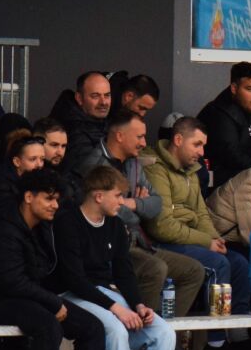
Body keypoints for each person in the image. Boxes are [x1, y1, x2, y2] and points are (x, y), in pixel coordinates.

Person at [0, 168, 104, 350]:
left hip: (24, 298)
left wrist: (51, 301)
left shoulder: (40, 227)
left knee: (93, 327)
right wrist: (54, 302)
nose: (55, 205)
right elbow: (14, 282)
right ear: (28, 197)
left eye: (57, 199)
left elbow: (37, 274)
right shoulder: (2, 228)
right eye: (49, 199)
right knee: (48, 326)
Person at [81, 106, 205, 318]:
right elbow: (111, 214)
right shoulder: (95, 165)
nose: (144, 143)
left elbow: (156, 205)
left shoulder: (134, 163)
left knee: (193, 270)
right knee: (156, 269)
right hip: (112, 250)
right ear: (120, 136)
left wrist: (131, 203)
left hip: (139, 242)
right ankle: (143, 331)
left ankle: (167, 332)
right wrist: (139, 205)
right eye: (139, 136)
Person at [51, 164, 175, 350]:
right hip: (70, 293)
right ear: (99, 196)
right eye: (118, 195)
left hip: (104, 292)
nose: (122, 202)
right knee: (116, 330)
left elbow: (124, 271)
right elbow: (74, 279)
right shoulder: (68, 221)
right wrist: (116, 308)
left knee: (164, 332)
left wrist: (138, 305)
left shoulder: (115, 223)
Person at [141, 116, 251, 322]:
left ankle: (237, 332)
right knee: (219, 264)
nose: (202, 152)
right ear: (178, 140)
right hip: (161, 243)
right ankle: (214, 337)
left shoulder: (191, 170)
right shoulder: (155, 169)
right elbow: (162, 226)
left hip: (188, 241)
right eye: (197, 144)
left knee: (238, 263)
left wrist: (215, 239)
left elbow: (201, 213)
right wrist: (206, 242)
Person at [198, 62, 251, 192]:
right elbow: (232, 156)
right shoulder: (219, 113)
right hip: (225, 185)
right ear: (234, 88)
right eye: (250, 89)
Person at [0, 131, 48, 224]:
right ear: (17, 162)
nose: (39, 164)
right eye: (33, 159)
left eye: (42, 159)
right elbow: (9, 222)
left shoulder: (33, 181)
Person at [51, 70, 113, 167]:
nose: (103, 102)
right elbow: (94, 171)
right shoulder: (71, 130)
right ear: (79, 98)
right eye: (95, 96)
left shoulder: (105, 123)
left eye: (107, 95)